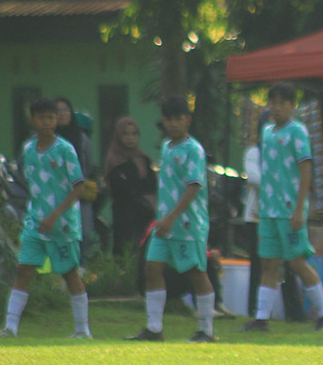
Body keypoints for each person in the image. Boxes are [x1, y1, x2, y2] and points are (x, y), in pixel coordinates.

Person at [0, 97, 91, 339]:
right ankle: (10, 327)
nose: (48, 122)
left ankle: (82, 330)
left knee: (69, 273)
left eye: (51, 117)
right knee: (24, 269)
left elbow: (79, 187)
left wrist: (55, 215)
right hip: (35, 221)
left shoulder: (65, 149)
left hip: (62, 224)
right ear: (32, 120)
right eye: (42, 117)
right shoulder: (28, 150)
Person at [239, 82, 323, 332]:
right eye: (273, 102)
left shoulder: (298, 131)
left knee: (296, 262)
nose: (277, 107)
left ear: (293, 106)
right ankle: (261, 319)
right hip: (268, 210)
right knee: (269, 264)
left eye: (283, 102)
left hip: (289, 209)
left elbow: (306, 168)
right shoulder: (267, 132)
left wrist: (300, 209)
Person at [127, 95, 216, 342]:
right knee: (152, 268)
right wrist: (162, 217)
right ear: (163, 122)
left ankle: (207, 331)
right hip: (164, 224)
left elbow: (193, 186)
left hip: (187, 224)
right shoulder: (167, 146)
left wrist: (172, 217)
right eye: (169, 119)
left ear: (187, 119)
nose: (174, 123)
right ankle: (154, 328)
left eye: (179, 118)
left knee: (196, 273)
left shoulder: (193, 149)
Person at [104, 117, 157, 256]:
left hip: (145, 214)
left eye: (134, 134)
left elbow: (151, 184)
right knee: (125, 252)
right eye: (126, 134)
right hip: (124, 215)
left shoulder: (142, 158)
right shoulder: (114, 160)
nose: (130, 138)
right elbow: (120, 186)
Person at [55, 97, 97, 256]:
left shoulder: (81, 139)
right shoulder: (47, 140)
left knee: (81, 239)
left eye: (65, 110)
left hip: (79, 195)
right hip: (55, 196)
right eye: (57, 111)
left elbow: (88, 164)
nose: (62, 114)